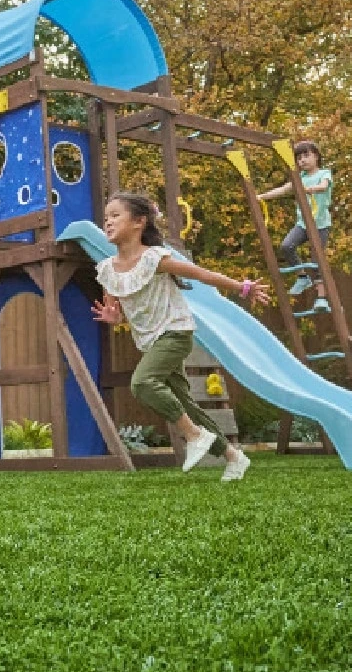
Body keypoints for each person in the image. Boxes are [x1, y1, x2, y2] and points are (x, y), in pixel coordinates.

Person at [91, 192, 270, 481]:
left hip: (175, 331)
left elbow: (200, 275)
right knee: (185, 403)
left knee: (143, 383)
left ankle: (194, 435)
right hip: (151, 342)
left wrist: (242, 287)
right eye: (106, 217)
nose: (108, 222)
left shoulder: (153, 259)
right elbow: (116, 310)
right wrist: (115, 318)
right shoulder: (107, 271)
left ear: (139, 222)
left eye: (115, 216)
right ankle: (233, 457)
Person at [257, 140, 333, 309]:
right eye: (299, 158)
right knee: (286, 246)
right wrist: (262, 196)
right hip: (303, 224)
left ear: (316, 156)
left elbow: (324, 186)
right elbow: (283, 189)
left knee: (317, 259)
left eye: (306, 156)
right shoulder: (299, 178)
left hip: (320, 225)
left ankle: (321, 297)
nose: (302, 160)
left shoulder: (324, 173)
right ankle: (302, 276)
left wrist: (313, 189)